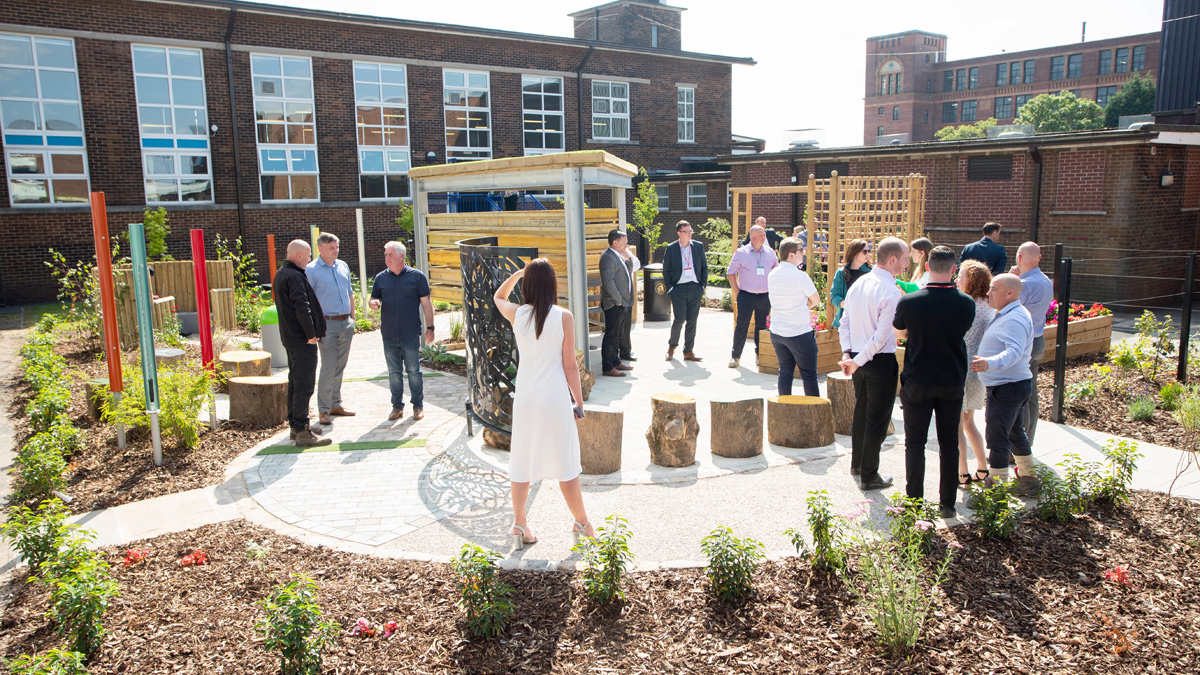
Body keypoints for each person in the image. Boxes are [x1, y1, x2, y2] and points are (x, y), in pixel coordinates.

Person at [492, 259, 595, 549]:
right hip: (554, 400)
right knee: (565, 462)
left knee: (522, 460)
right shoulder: (564, 316)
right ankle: (582, 521)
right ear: (552, 285)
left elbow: (498, 296)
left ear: (528, 285)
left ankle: (519, 523)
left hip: (525, 399)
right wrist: (579, 402)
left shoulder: (518, 314)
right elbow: (570, 366)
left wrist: (517, 273)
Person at [893, 246, 976, 519]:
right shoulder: (966, 302)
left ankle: (915, 502)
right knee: (949, 443)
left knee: (915, 443)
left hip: (918, 378)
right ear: (954, 270)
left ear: (927, 267)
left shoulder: (910, 302)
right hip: (952, 379)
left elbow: (899, 333)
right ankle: (947, 504)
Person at [837, 236, 909, 491]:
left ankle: (858, 464)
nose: (907, 263)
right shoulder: (889, 289)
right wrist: (852, 359)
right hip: (877, 360)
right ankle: (869, 474)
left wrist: (849, 355)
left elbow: (844, 323)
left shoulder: (859, 284)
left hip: (859, 356)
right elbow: (882, 336)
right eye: (905, 259)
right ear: (892, 259)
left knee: (862, 412)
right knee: (877, 418)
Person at [970, 273, 1041, 496]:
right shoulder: (1010, 313)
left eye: (994, 289)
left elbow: (1014, 352)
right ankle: (1029, 477)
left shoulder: (1015, 318)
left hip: (1007, 386)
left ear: (1010, 293)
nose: (989, 293)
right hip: (1010, 385)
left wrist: (988, 363)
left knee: (997, 436)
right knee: (1014, 432)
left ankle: (996, 489)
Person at [274, 240, 331, 448]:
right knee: (304, 386)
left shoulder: (282, 274)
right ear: (299, 256)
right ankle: (302, 431)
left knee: (296, 383)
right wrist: (312, 334)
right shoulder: (295, 276)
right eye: (307, 255)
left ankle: (295, 425)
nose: (309, 259)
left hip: (291, 339)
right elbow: (302, 307)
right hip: (302, 340)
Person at [369, 241, 435, 422]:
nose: (386, 258)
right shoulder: (380, 278)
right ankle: (397, 406)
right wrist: (373, 303)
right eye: (385, 255)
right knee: (394, 373)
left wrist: (430, 328)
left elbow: (426, 304)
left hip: (410, 333)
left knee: (414, 371)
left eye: (390, 255)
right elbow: (374, 298)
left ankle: (418, 406)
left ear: (401, 256)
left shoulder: (417, 277)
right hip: (389, 334)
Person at [305, 232, 357, 426]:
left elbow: (350, 293)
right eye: (331, 248)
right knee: (328, 366)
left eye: (337, 247)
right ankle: (324, 410)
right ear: (320, 248)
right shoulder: (311, 270)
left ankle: (336, 404)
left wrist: (353, 318)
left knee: (339, 366)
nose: (336, 251)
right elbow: (307, 300)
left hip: (346, 324)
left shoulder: (342, 265)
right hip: (326, 325)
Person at [956, 260, 994, 486]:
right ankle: (982, 468)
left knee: (958, 425)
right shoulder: (990, 305)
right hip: (979, 367)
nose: (957, 279)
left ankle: (962, 473)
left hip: (962, 365)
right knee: (970, 422)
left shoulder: (965, 304)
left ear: (972, 281)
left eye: (961, 276)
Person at [768, 237, 821, 396]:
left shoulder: (773, 273)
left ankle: (783, 409)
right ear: (791, 254)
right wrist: (807, 304)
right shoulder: (800, 276)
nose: (804, 253)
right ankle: (814, 413)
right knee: (809, 375)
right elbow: (817, 299)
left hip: (777, 332)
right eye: (801, 250)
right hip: (799, 333)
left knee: (785, 371)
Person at [1013, 242, 1054, 443]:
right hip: (1038, 339)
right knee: (1031, 393)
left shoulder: (1024, 284)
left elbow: (1006, 307)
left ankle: (1018, 446)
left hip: (1023, 343)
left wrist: (1012, 280)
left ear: (1019, 257)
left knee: (1019, 395)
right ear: (1039, 258)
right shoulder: (1046, 281)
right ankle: (1027, 442)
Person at [727, 224, 779, 368]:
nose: (764, 237)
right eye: (761, 235)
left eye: (764, 234)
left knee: (761, 327)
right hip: (746, 295)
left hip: (764, 296)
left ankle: (759, 355)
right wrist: (737, 291)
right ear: (752, 237)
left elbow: (777, 271)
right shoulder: (741, 252)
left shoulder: (770, 252)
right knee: (742, 326)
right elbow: (730, 272)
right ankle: (735, 357)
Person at [662, 220, 707, 361]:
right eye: (686, 231)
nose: (689, 234)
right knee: (679, 319)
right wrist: (670, 288)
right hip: (678, 288)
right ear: (679, 233)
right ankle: (671, 347)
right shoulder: (671, 248)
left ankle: (688, 351)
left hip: (695, 287)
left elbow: (704, 267)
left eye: (690, 231)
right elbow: (665, 270)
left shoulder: (698, 246)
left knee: (692, 320)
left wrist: (703, 286)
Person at [599, 229, 637, 378]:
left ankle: (616, 362)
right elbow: (608, 282)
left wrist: (628, 260)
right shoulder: (608, 257)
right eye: (624, 242)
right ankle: (608, 366)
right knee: (611, 336)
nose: (626, 245)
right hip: (614, 304)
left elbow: (628, 272)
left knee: (618, 335)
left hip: (623, 303)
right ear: (615, 242)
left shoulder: (619, 255)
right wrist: (619, 301)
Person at [830, 238, 871, 330]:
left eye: (869, 251)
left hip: (866, 321)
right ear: (855, 253)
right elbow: (834, 296)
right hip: (847, 320)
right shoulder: (841, 273)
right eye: (865, 252)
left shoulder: (871, 273)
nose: (868, 254)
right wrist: (845, 303)